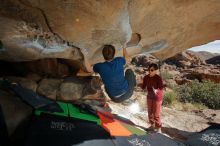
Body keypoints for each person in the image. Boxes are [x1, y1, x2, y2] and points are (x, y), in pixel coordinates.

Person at [139, 63, 164, 133]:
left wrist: (157, 90)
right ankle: (152, 126)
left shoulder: (158, 78)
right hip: (149, 96)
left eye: (152, 70)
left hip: (157, 97)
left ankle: (158, 128)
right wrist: (139, 84)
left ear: (156, 70)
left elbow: (161, 88)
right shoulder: (146, 77)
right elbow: (143, 86)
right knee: (150, 113)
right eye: (149, 70)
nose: (150, 71)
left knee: (156, 114)